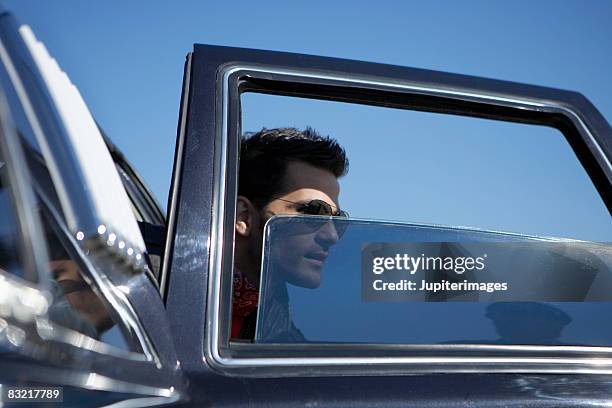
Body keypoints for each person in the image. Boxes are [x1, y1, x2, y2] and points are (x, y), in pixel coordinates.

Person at [232, 127, 349, 341]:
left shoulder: (283, 335)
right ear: (244, 217)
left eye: (339, 220)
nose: (332, 236)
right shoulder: (157, 286)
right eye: (313, 212)